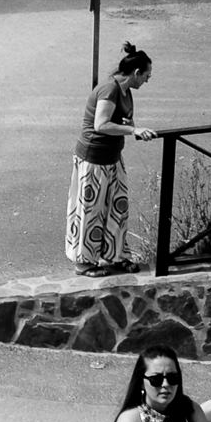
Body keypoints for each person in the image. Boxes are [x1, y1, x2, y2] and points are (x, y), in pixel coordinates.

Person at [66, 41, 159, 277]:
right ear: (136, 73)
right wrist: (132, 131)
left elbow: (122, 120)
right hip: (94, 158)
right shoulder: (110, 89)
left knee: (118, 207)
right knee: (91, 209)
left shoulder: (126, 90)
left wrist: (133, 128)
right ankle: (84, 262)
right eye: (147, 75)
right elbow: (101, 124)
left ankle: (115, 255)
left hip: (112, 157)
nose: (148, 80)